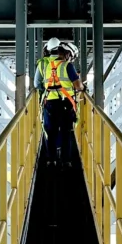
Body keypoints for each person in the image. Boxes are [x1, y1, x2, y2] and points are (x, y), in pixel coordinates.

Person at [34, 38, 83, 166]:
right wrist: (82, 86)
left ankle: (51, 160)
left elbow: (38, 84)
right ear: (67, 54)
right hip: (65, 103)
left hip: (50, 102)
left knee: (51, 131)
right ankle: (66, 161)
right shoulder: (68, 66)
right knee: (66, 131)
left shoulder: (47, 65)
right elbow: (78, 86)